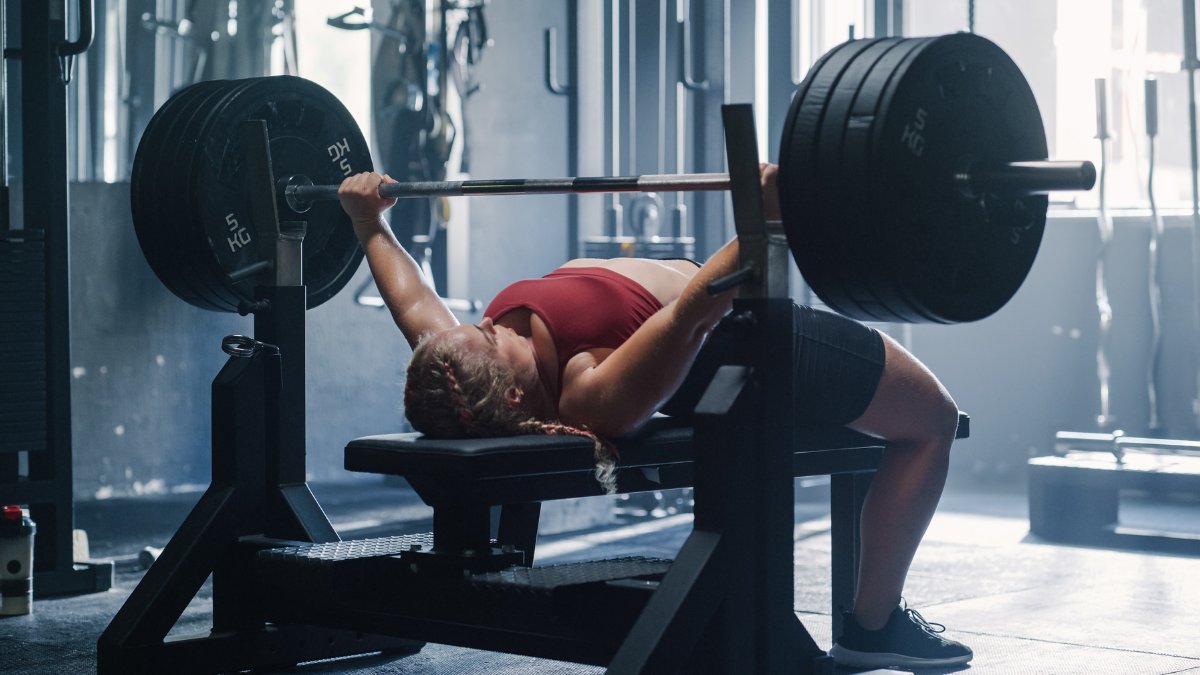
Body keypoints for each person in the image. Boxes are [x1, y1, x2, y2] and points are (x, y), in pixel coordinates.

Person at [338, 166, 973, 669]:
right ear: (511, 397)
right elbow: (691, 313)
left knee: (899, 420)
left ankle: (872, 617)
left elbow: (414, 300)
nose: (488, 322)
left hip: (722, 319)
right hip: (743, 337)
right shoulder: (591, 392)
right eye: (489, 335)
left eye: (477, 323)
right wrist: (767, 225)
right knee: (932, 421)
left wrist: (367, 219)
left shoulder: (459, 363)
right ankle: (873, 626)